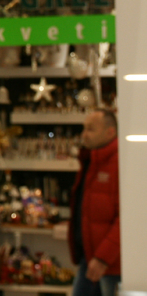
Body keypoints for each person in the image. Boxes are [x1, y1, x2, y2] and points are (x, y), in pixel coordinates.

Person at [69, 108, 121, 296]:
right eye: (84, 128)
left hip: (110, 264)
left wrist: (103, 257)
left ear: (110, 132)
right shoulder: (91, 161)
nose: (84, 135)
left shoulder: (119, 164)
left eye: (91, 129)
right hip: (90, 259)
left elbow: (127, 218)